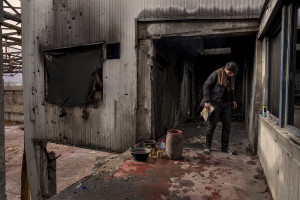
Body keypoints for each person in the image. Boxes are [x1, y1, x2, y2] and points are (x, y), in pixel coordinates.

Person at [200, 61, 238, 155]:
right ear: (226, 69)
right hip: (216, 103)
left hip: (227, 105)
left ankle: (225, 148)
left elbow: (231, 90)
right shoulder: (216, 74)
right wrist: (207, 101)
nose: (231, 75)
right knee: (212, 126)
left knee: (227, 126)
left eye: (232, 73)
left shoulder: (231, 77)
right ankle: (207, 147)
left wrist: (233, 99)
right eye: (230, 73)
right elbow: (206, 86)